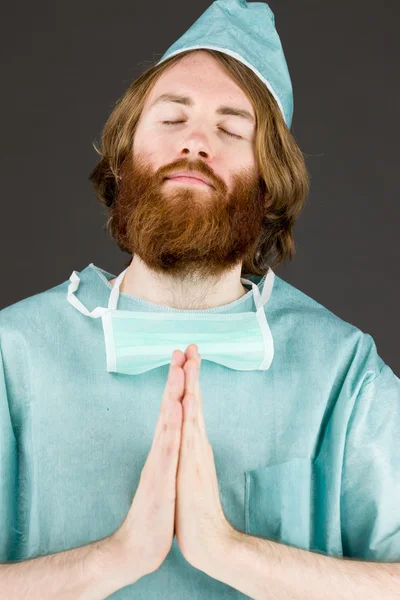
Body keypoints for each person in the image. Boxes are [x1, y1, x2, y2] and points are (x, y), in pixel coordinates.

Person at [1, 0, 399, 598]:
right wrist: (119, 556)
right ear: (125, 153)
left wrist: (229, 551)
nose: (195, 142)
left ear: (270, 183)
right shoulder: (14, 355)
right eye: (170, 119)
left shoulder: (341, 373)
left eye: (232, 129)